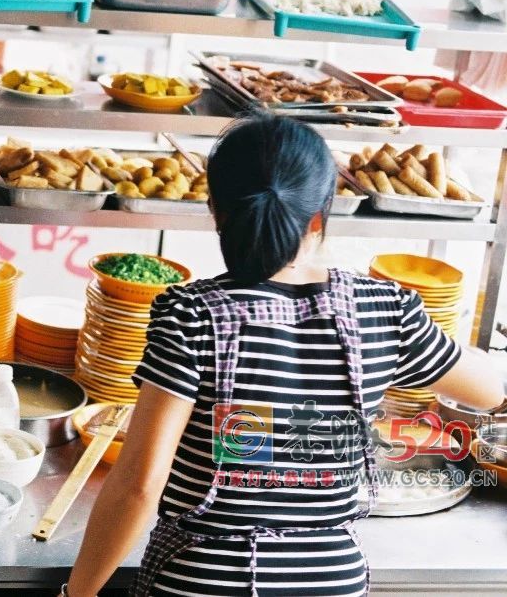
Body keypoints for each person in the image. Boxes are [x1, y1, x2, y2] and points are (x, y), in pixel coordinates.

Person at [61, 114, 505, 597]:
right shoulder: (384, 310)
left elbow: (140, 486)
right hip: (331, 583)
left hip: (207, 580)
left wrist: (77, 593)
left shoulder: (191, 314)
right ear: (320, 216)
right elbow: (489, 390)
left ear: (215, 211)